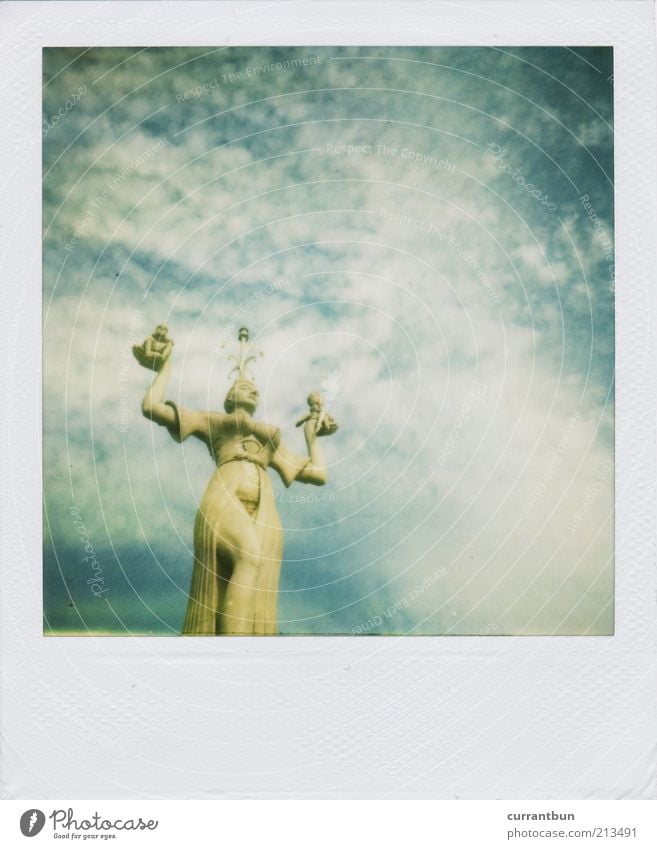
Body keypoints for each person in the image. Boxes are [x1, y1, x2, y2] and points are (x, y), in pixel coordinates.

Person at [136, 327, 335, 635]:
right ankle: (234, 647)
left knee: (252, 569)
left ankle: (243, 641)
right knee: (249, 556)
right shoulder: (213, 422)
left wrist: (312, 438)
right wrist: (164, 367)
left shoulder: (270, 441)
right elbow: (151, 407)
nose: (253, 389)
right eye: (244, 385)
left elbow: (319, 475)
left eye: (255, 387)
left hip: (264, 513)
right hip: (224, 501)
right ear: (229, 398)